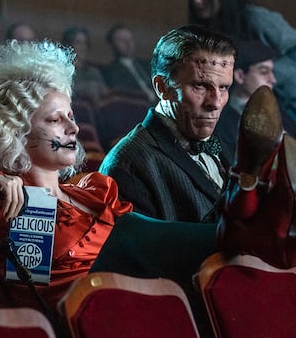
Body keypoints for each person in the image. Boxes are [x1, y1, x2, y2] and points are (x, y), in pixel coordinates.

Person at [0, 39, 296, 310]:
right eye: (55, 121)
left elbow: (158, 248)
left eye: (72, 117)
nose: (73, 129)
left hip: (133, 301)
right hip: (70, 312)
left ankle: (244, 206)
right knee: (125, 231)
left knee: (142, 233)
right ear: (16, 133)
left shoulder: (92, 189)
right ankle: (250, 211)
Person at [99, 25, 235, 222]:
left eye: (223, 87)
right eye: (200, 85)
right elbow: (142, 251)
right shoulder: (127, 163)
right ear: (162, 87)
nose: (215, 102)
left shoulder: (223, 147)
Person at [188, 0, 296, 142]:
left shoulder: (254, 17)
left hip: (289, 106)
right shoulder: (205, 27)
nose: (197, 0)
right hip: (248, 108)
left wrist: (262, 75)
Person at [101, 23, 158, 104]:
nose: (128, 43)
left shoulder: (148, 65)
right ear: (112, 45)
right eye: (122, 40)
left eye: (130, 39)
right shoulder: (109, 71)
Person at [61, 25, 108, 103]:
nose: (83, 47)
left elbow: (105, 91)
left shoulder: (93, 71)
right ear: (69, 45)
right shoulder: (62, 71)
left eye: (85, 43)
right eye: (79, 43)